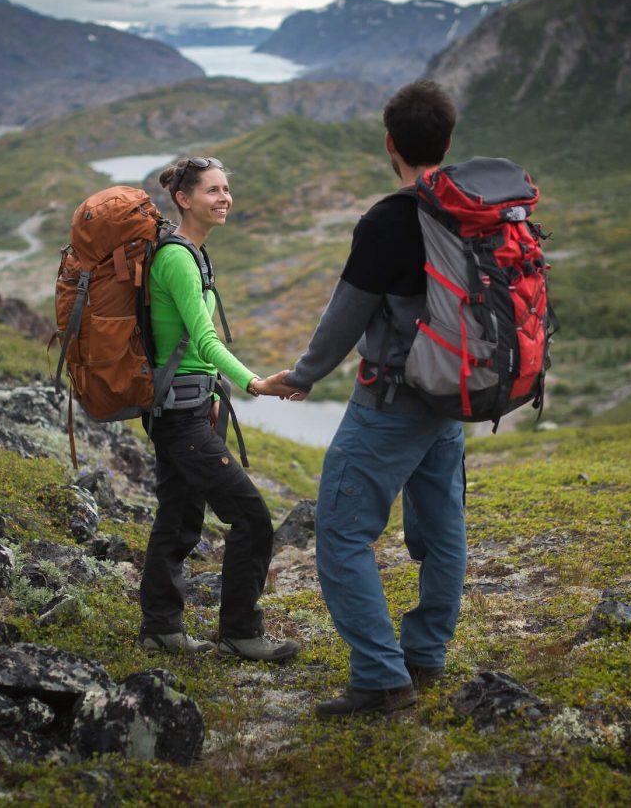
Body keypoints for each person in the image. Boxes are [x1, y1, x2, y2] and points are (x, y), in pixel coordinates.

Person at [282, 80, 465, 716]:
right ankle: (425, 655)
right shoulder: (475, 209)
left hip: (393, 401)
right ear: (449, 140)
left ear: (391, 144)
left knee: (339, 532)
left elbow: (346, 317)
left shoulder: (391, 219)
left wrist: (302, 375)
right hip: (453, 393)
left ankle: (383, 679)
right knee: (442, 531)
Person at [138, 156, 301, 662]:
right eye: (212, 190)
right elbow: (204, 339)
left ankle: (161, 628)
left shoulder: (191, 253)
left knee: (180, 517)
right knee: (251, 517)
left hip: (185, 409)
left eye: (227, 188)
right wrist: (253, 381)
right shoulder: (178, 259)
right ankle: (240, 631)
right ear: (183, 199)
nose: (224, 198)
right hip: (179, 416)